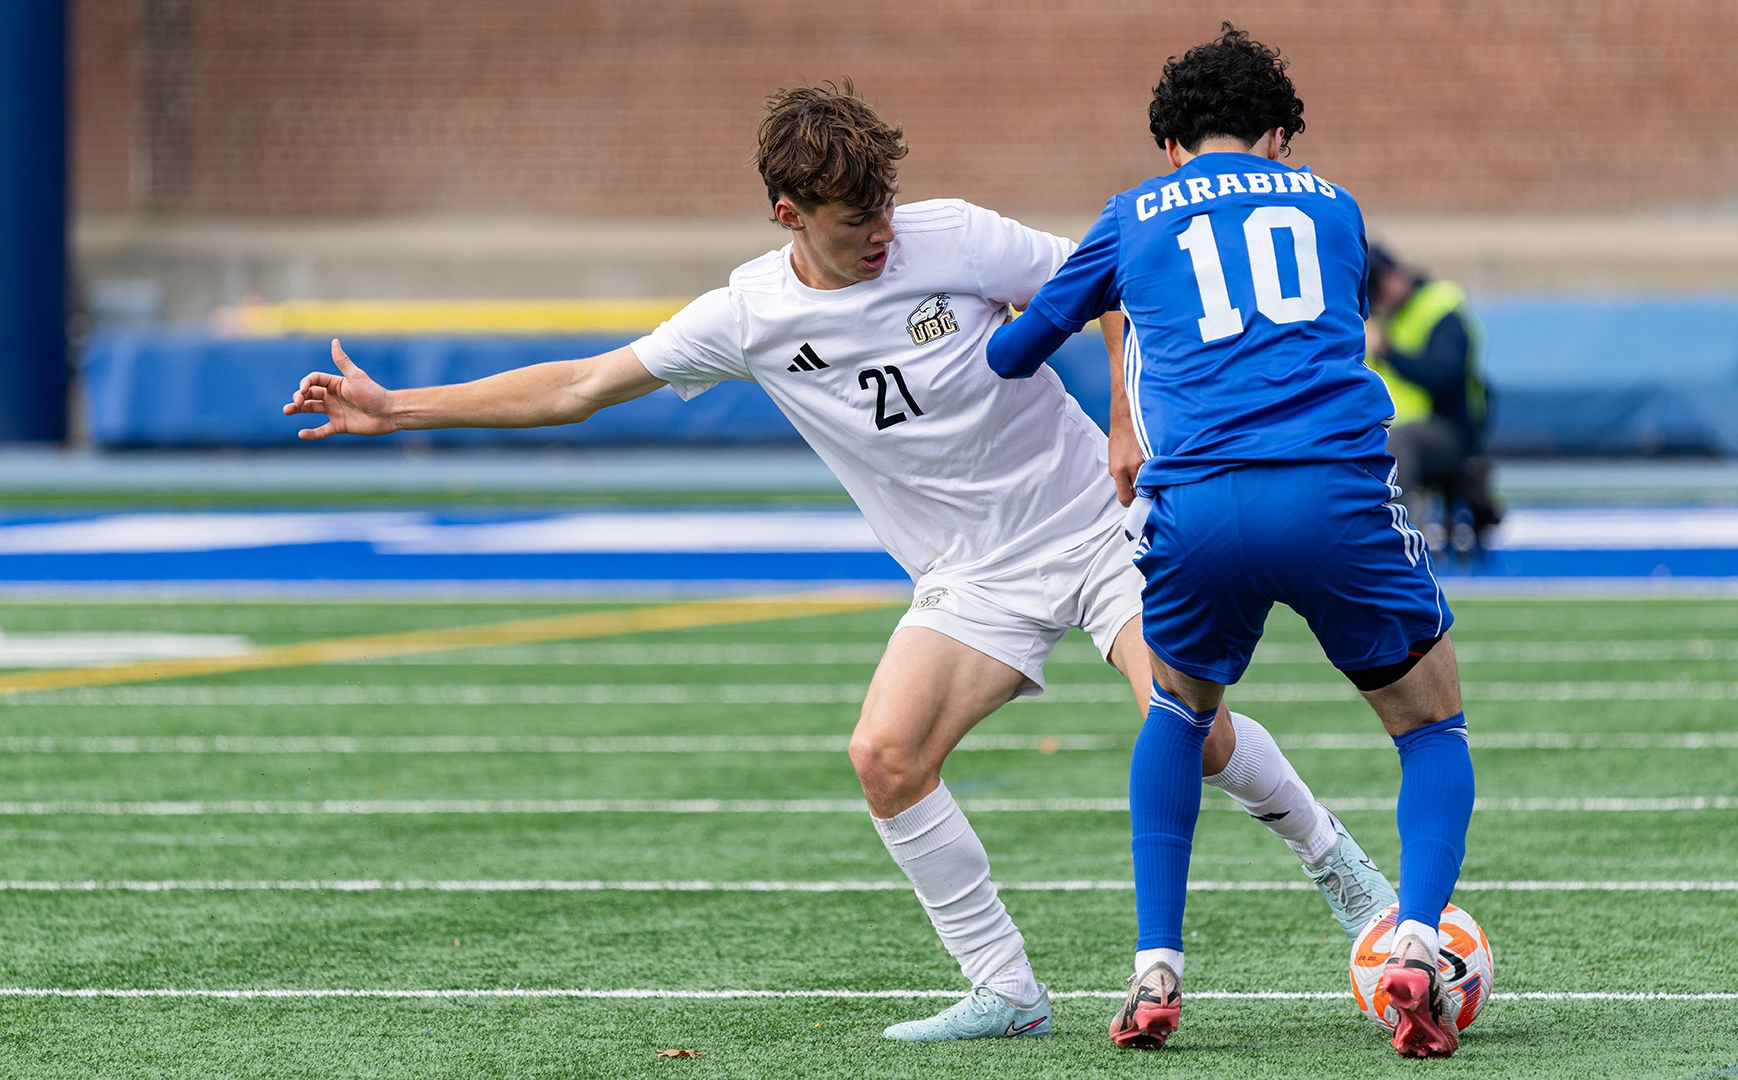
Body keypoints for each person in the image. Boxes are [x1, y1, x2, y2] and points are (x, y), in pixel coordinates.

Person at [284, 80, 1394, 1043]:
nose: (882, 233)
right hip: (972, 577)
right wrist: (398, 408)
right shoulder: (749, 314)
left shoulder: (952, 234)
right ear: (786, 214)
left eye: (885, 208)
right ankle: (1004, 988)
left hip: (1093, 529)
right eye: (855, 220)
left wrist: (1122, 417)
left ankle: (1340, 868)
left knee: (1185, 727)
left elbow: (1112, 283)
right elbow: (580, 385)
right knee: (884, 754)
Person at [987, 28, 1476, 1059]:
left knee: (1177, 713)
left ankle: (1155, 967)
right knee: (1431, 728)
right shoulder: (1333, 205)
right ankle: (1421, 947)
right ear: (1281, 136)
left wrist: (1025, 312)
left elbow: (1013, 353)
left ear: (1169, 145)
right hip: (1332, 493)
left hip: (1196, 504)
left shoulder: (1129, 215)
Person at [1364, 244, 1502, 554]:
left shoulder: (1440, 309)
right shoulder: (1374, 318)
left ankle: (1395, 544)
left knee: (1397, 445)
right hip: (1386, 428)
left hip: (1445, 431)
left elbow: (1444, 375)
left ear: (1393, 279)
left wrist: (1389, 352)